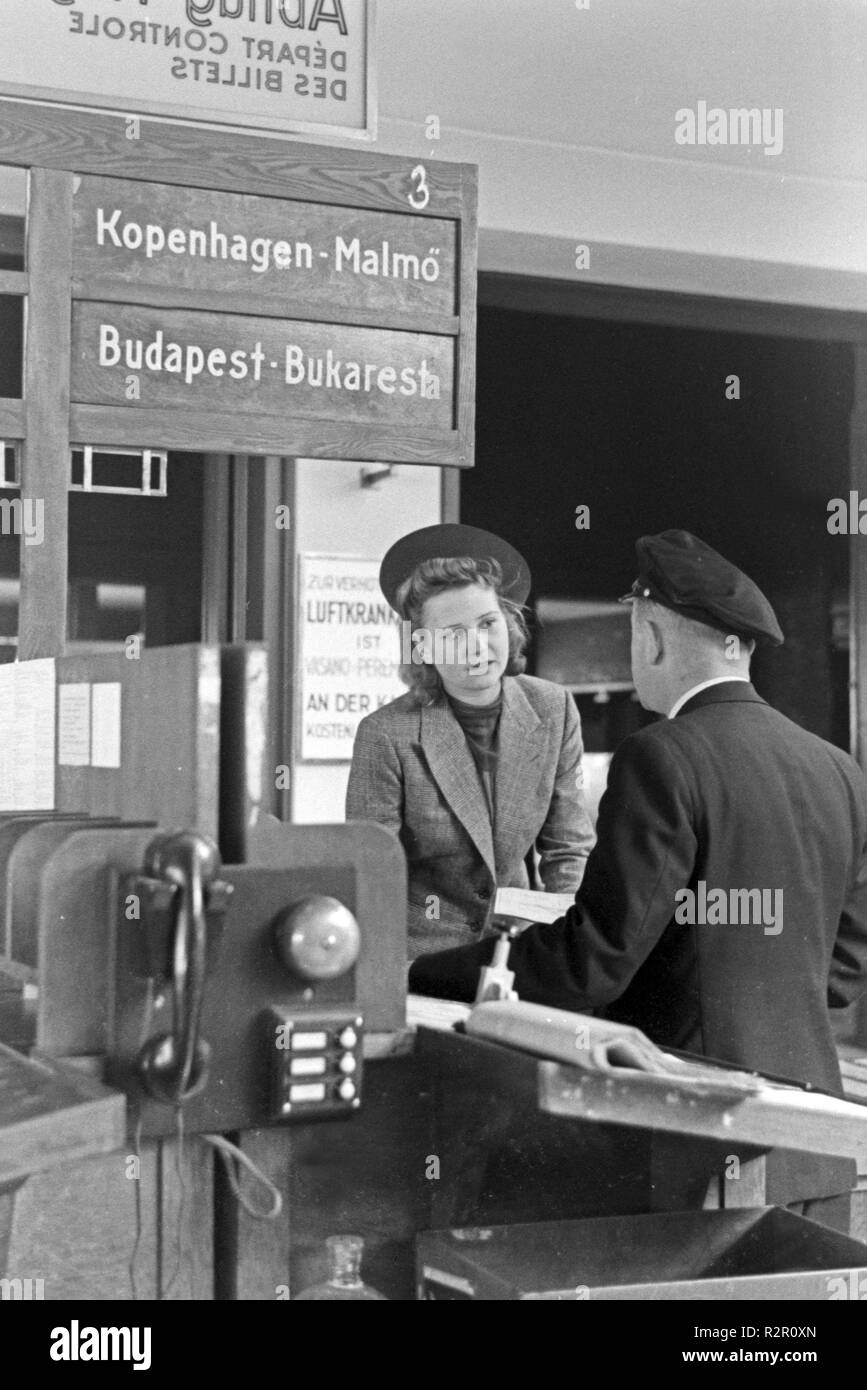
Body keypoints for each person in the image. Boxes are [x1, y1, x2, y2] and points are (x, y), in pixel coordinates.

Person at [410, 529, 867, 1226]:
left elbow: (592, 962)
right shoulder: (836, 769)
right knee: (781, 1322)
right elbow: (846, 959)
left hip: (689, 1124)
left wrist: (428, 972)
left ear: (649, 637)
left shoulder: (661, 757)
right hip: (812, 1127)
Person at [346, 523, 595, 958]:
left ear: (509, 625)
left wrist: (566, 946)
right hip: (422, 957)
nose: (477, 646)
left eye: (487, 623)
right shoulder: (385, 734)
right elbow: (372, 873)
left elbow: (568, 848)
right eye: (453, 633)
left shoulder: (554, 708)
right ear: (421, 646)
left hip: (521, 950)